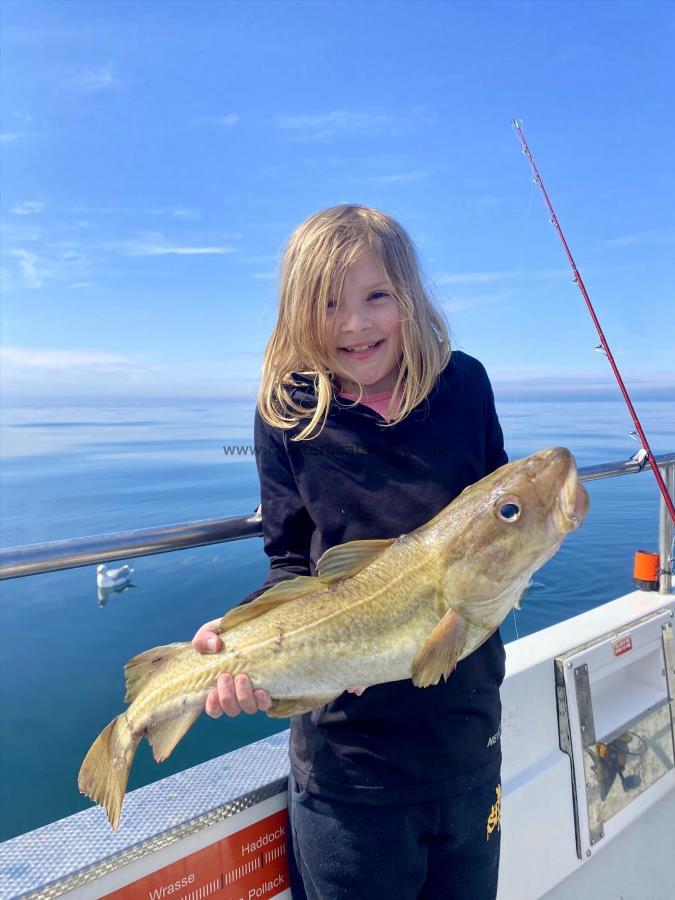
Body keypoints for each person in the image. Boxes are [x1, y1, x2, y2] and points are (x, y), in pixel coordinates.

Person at [192, 204, 507, 900]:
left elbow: (497, 522)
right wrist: (234, 638)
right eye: (328, 303)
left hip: (466, 739)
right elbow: (288, 563)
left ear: (409, 296)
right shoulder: (285, 410)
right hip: (349, 766)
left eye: (376, 297)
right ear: (298, 311)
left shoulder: (464, 386)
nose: (354, 324)